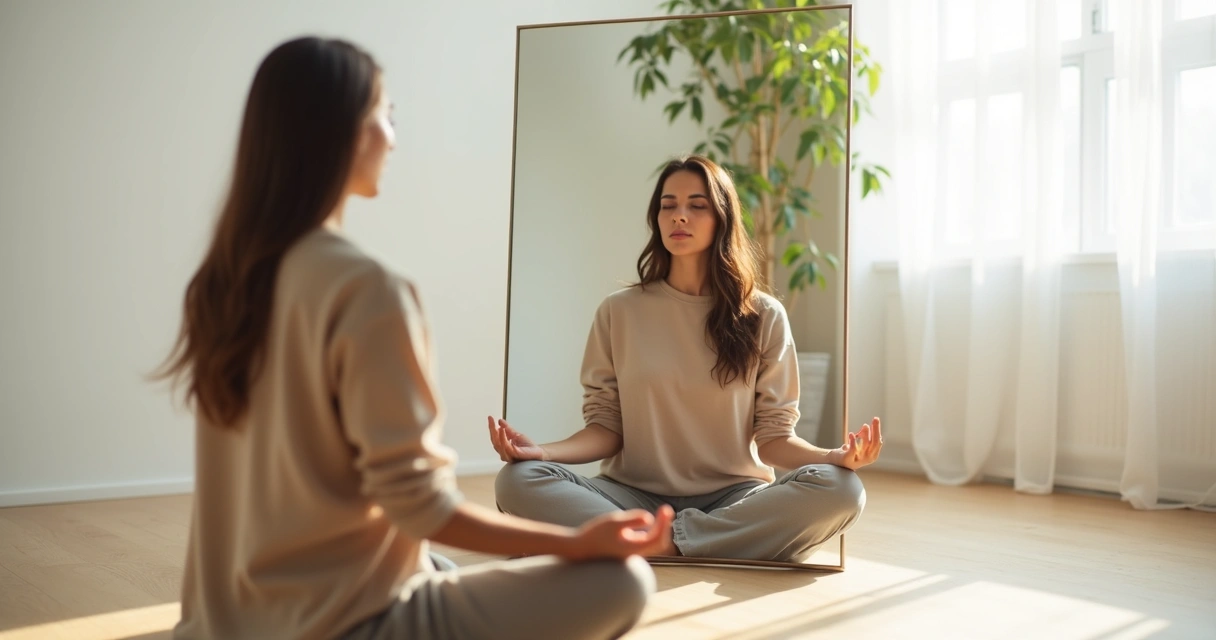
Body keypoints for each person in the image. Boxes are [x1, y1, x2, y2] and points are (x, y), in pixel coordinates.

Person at [154, 36, 673, 640]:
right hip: (340, 624)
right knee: (624, 580)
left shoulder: (221, 282)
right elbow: (421, 506)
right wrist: (578, 543)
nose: (393, 136)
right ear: (341, 129)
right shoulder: (366, 288)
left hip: (223, 624)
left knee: (435, 565)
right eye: (386, 114)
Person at [490, 154, 881, 563]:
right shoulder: (618, 311)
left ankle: (655, 543)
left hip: (733, 498)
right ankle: (690, 542)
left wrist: (833, 458)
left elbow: (774, 441)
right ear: (656, 219)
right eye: (668, 205)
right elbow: (606, 428)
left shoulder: (764, 316)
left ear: (722, 219)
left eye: (697, 205)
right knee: (517, 480)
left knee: (844, 489)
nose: (679, 216)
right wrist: (542, 453)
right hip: (629, 496)